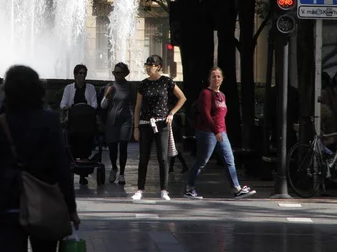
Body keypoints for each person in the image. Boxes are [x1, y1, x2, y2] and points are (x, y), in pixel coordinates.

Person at [0, 65, 80, 252]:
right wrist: (71, 208)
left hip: (7, 206)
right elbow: (62, 167)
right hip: (43, 203)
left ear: (7, 91)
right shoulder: (49, 121)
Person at [184, 67, 256, 199]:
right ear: (209, 79)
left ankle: (237, 189)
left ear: (222, 79)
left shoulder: (222, 95)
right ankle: (189, 188)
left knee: (230, 161)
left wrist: (222, 132)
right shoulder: (205, 93)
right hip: (207, 133)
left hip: (222, 133)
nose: (216, 79)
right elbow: (205, 114)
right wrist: (215, 131)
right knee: (202, 161)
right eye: (213, 76)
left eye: (218, 76)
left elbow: (221, 117)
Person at [132, 55, 187, 201]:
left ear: (158, 67)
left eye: (151, 65)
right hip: (145, 123)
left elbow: (182, 98)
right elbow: (137, 107)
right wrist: (136, 127)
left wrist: (172, 113)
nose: (148, 67)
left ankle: (164, 190)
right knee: (143, 157)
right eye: (147, 65)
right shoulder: (143, 84)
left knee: (163, 157)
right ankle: (140, 189)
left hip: (162, 123)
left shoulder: (166, 81)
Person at [101, 62, 133, 185]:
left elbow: (135, 103)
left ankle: (122, 174)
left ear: (125, 74)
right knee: (112, 148)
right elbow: (103, 106)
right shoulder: (110, 85)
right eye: (114, 72)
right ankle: (114, 167)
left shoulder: (130, 87)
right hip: (111, 121)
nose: (116, 75)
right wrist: (107, 95)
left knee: (123, 147)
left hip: (125, 121)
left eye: (119, 73)